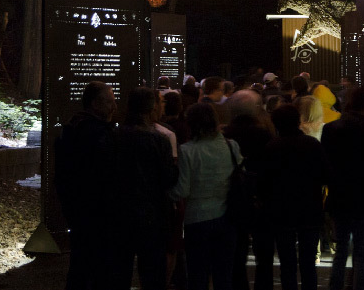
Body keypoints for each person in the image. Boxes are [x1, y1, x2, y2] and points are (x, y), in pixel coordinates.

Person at [106, 88, 177, 290]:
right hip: (152, 215)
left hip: (119, 214)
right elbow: (168, 179)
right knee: (153, 274)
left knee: (119, 273)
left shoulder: (113, 136)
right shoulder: (159, 140)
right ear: (152, 107)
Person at [172, 103, 242, 290]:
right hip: (227, 217)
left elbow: (182, 190)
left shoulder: (187, 150)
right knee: (224, 275)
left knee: (198, 275)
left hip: (197, 219)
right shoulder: (231, 146)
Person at [56, 82, 118, 290]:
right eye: (110, 102)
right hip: (97, 210)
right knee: (96, 266)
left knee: (81, 263)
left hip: (79, 208)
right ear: (95, 103)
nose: (114, 107)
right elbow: (105, 173)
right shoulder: (97, 134)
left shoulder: (73, 128)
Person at [262, 104, 329, 290]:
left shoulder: (271, 147)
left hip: (281, 211)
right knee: (308, 264)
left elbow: (265, 181)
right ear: (298, 121)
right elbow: (325, 175)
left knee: (287, 263)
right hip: (310, 208)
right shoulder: (312, 145)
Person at [320, 87, 364, 290]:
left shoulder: (330, 129)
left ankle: (335, 286)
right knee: (363, 252)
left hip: (339, 197)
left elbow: (325, 166)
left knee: (341, 250)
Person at [223, 91, 276, 290]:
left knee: (237, 253)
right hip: (262, 197)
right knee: (264, 254)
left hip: (234, 198)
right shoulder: (265, 134)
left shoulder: (226, 134)